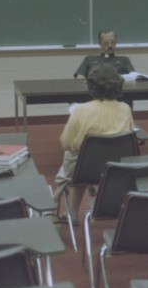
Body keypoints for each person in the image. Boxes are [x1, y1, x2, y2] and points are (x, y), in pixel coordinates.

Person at [53, 63, 135, 222]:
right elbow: (131, 135)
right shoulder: (125, 108)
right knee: (84, 157)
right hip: (117, 169)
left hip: (84, 170)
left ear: (91, 86)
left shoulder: (80, 110)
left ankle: (73, 212)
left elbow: (66, 143)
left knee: (74, 156)